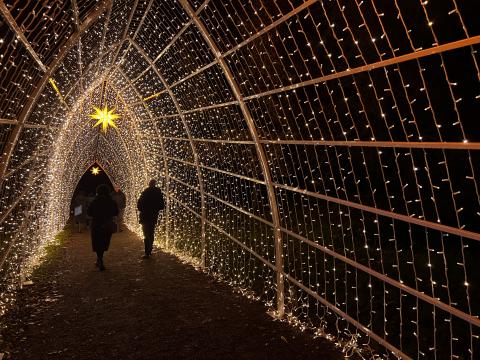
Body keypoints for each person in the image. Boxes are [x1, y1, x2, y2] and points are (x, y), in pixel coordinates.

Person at [87, 184, 119, 271]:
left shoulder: (94, 201)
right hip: (107, 224)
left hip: (96, 224)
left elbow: (89, 213)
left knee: (97, 242)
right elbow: (116, 212)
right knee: (104, 241)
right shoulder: (111, 201)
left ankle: (99, 259)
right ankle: (100, 259)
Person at [137, 179, 165, 258]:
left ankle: (147, 252)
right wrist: (155, 209)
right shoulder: (158, 193)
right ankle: (150, 249)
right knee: (151, 232)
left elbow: (139, 204)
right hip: (153, 215)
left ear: (149, 184)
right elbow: (162, 205)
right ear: (155, 184)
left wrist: (143, 209)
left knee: (146, 234)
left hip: (145, 216)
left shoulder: (145, 192)